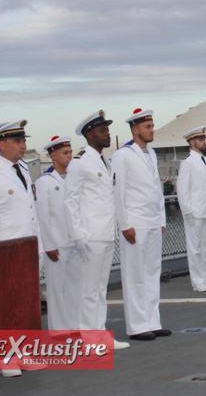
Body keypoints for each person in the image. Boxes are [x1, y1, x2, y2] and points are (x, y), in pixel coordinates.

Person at [0, 120, 44, 376]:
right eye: (17, 141)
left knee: (24, 306)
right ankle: (4, 358)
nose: (23, 145)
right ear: (1, 144)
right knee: (3, 307)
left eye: (24, 140)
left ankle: (24, 353)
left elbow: (31, 212)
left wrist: (38, 244)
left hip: (26, 249)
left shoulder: (23, 170)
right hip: (3, 251)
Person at [64, 110, 129, 350]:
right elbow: (70, 201)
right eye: (103, 131)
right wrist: (77, 235)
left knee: (100, 289)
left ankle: (100, 334)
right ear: (90, 134)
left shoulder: (105, 160)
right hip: (90, 235)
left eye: (108, 130)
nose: (108, 134)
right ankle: (90, 338)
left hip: (105, 233)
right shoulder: (80, 163)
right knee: (89, 290)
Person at [113, 109, 170, 341]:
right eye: (147, 127)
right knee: (134, 275)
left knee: (151, 273)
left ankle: (152, 321)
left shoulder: (151, 154)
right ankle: (137, 326)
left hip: (153, 222)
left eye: (152, 126)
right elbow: (118, 191)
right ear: (135, 129)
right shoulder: (123, 155)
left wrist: (162, 218)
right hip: (135, 222)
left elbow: (156, 189)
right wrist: (125, 223)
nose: (151, 130)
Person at [37, 136, 82, 332]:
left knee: (75, 288)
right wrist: (48, 245)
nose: (70, 156)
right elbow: (42, 216)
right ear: (53, 155)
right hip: (57, 243)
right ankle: (59, 331)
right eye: (65, 153)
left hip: (75, 241)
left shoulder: (75, 179)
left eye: (71, 152)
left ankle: (75, 326)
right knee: (57, 290)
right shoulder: (44, 182)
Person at [176, 126, 206, 292]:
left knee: (204, 246)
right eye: (201, 139)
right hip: (194, 212)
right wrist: (188, 211)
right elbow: (182, 189)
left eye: (204, 139)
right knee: (194, 248)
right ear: (192, 141)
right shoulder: (187, 162)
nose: (204, 142)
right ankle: (197, 280)